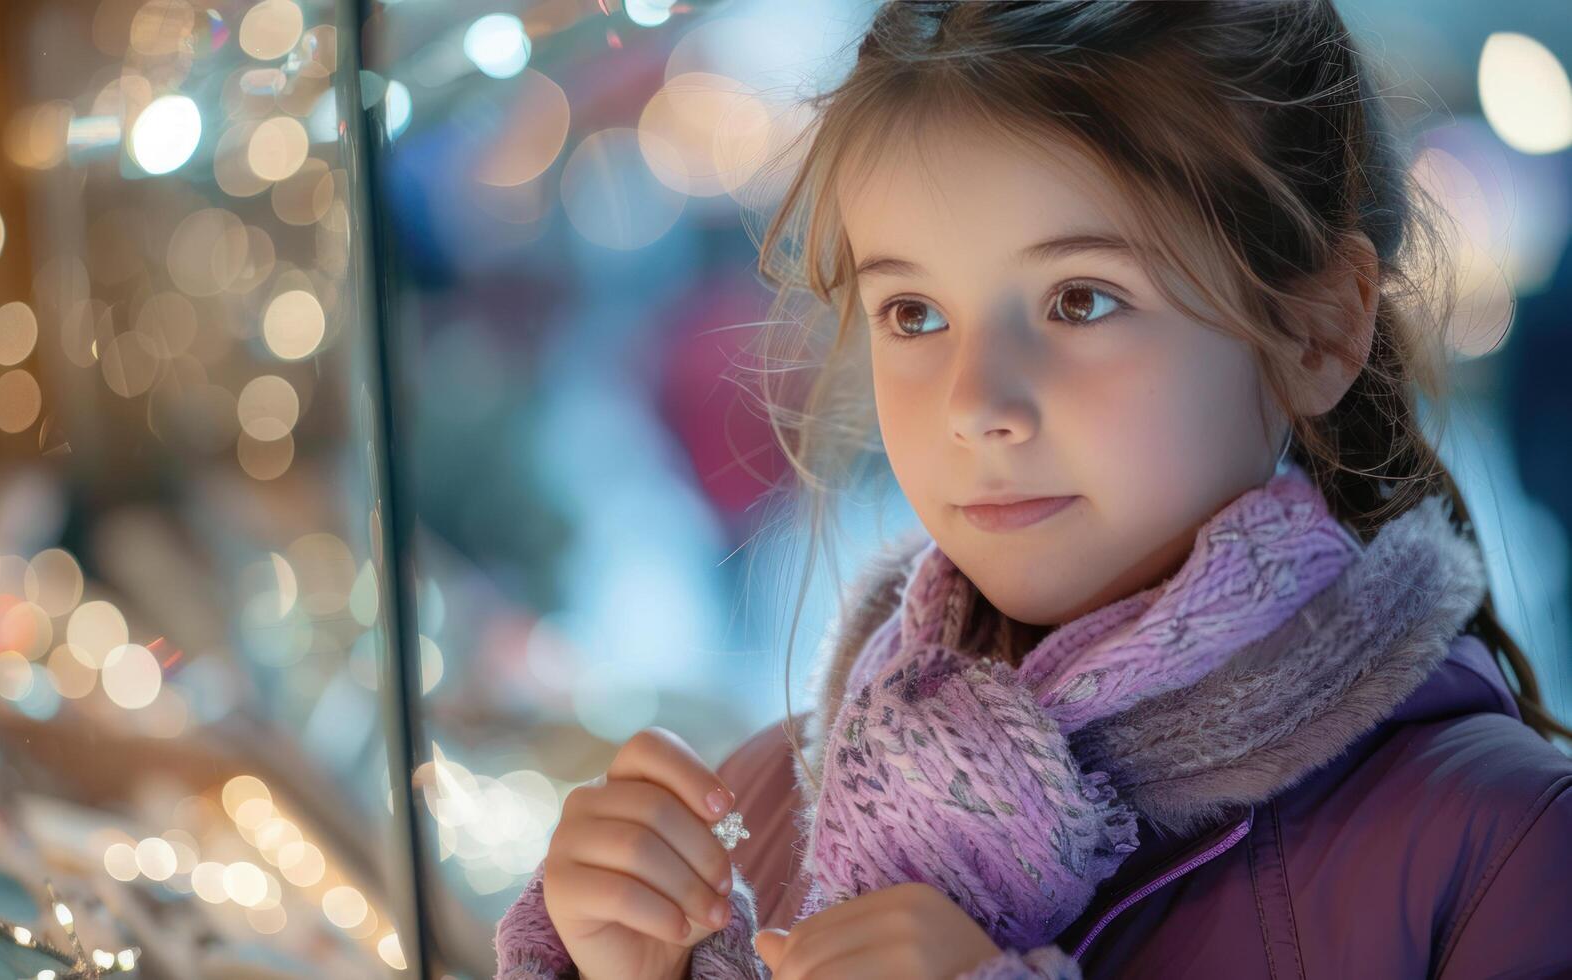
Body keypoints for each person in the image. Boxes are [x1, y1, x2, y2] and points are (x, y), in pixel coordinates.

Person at [493, 2, 1572, 977]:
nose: (976, 401)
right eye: (913, 313)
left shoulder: (1500, 848)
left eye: (1081, 299)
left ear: (1320, 327)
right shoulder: (764, 806)